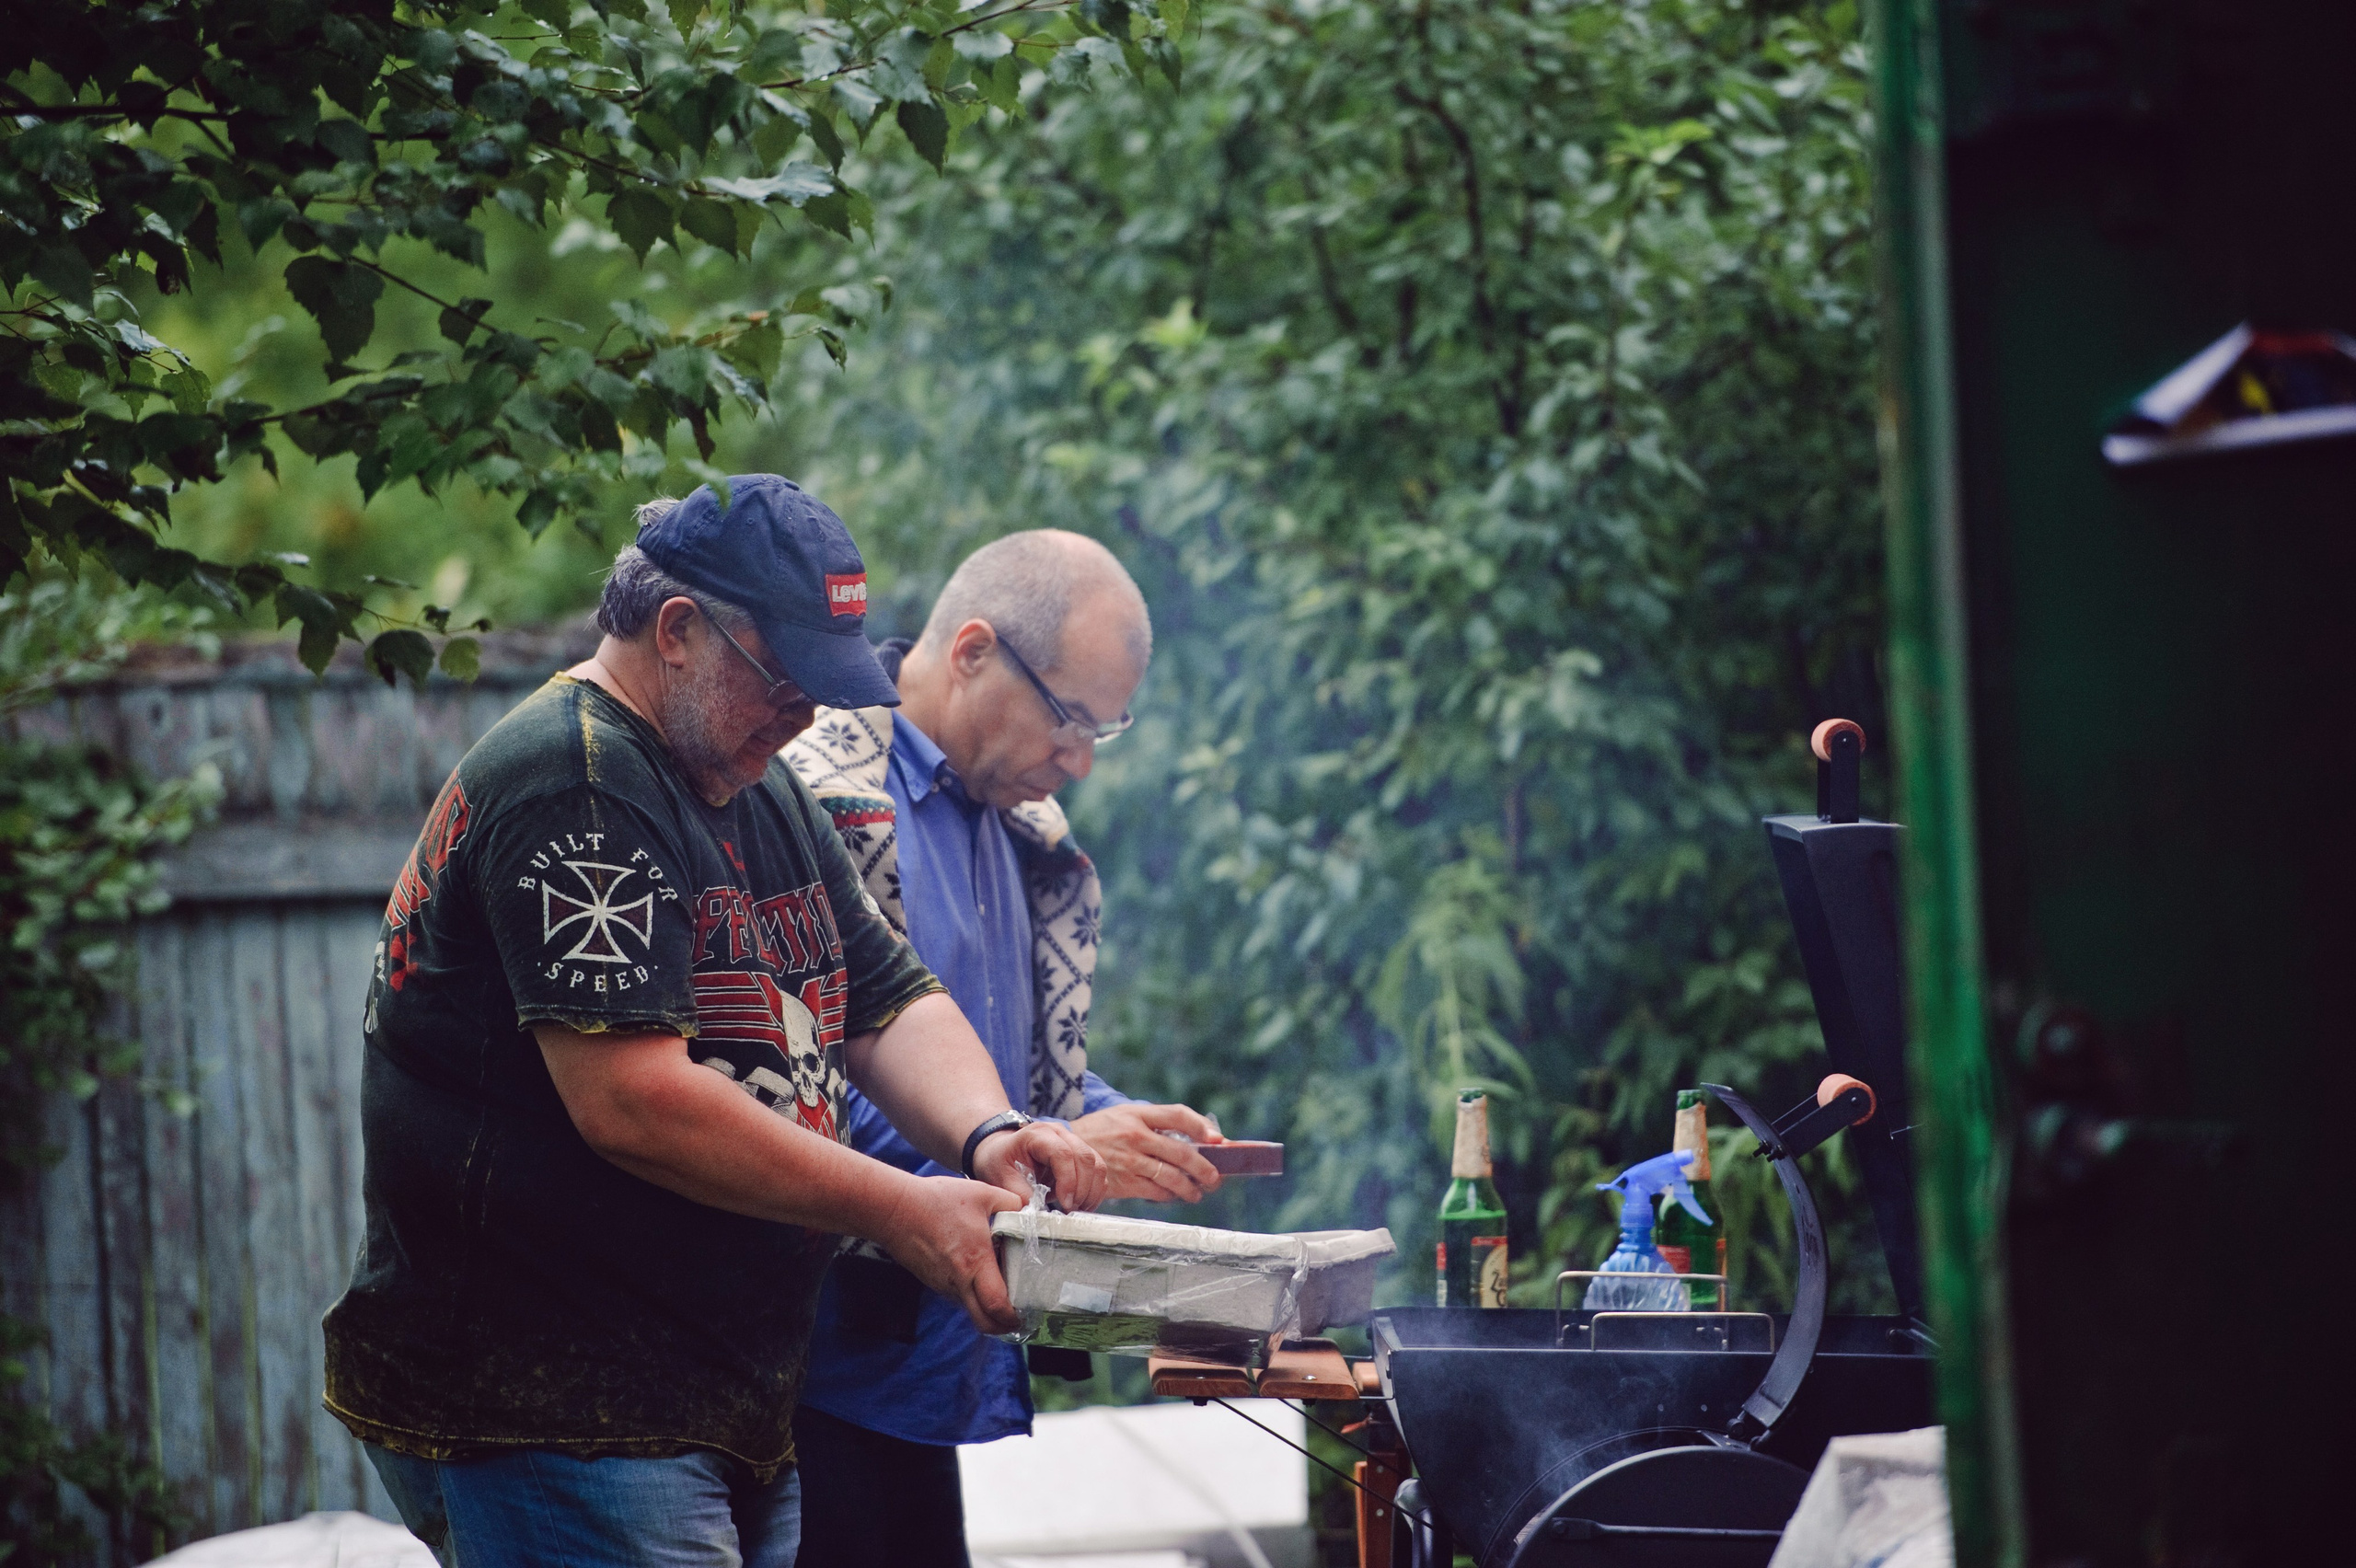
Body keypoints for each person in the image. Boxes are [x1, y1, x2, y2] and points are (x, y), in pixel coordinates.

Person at [321, 478, 1106, 1568]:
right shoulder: (579, 778)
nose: (806, 718)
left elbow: (886, 996)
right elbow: (631, 1102)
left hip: (709, 1398)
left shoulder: (756, 786)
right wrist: (904, 1211)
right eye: (785, 680)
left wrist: (986, 1133)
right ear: (679, 631)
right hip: (560, 1408)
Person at [782, 530, 1226, 1568]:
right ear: (972, 650)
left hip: (936, 1359)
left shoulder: (1011, 819)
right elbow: (783, 1089)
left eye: (1102, 733)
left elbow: (1002, 1070)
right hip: (812, 1356)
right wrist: (1049, 1141)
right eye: (1070, 720)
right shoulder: (812, 792)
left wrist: (1101, 1118)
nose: (1077, 761)